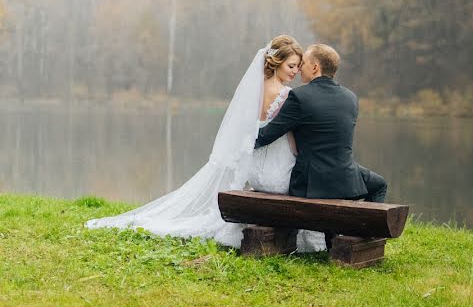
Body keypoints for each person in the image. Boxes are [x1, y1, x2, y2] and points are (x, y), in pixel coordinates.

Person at [86, 35, 324, 251]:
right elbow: (289, 137)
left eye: (296, 67)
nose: (294, 72)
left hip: (255, 169)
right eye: (291, 66)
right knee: (310, 180)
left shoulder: (256, 90)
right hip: (275, 173)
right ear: (275, 63)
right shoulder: (284, 95)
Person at [255, 43, 387, 203]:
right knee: (380, 185)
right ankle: (366, 227)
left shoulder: (299, 97)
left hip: (311, 183)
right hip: (347, 178)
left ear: (315, 67)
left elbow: (266, 136)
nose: (299, 69)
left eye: (303, 63)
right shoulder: (351, 98)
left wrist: (239, 143)